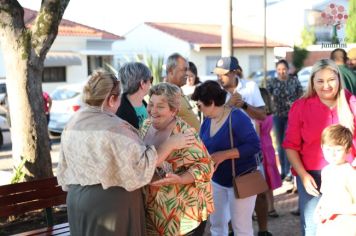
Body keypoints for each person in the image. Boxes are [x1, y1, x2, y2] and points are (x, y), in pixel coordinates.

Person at [56, 69, 196, 235]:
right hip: (109, 205)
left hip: (76, 200)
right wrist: (171, 144)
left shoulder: (72, 123)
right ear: (112, 99)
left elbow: (64, 166)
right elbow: (141, 164)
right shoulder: (115, 128)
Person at [283, 59, 356, 236]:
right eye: (320, 81)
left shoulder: (351, 102)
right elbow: (290, 146)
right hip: (311, 177)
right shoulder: (300, 107)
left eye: (331, 79)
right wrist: (303, 175)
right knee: (313, 227)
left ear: (339, 79)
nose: (326, 85)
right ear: (312, 83)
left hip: (346, 174)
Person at [141, 82, 214, 236]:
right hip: (152, 213)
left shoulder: (185, 133)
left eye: (160, 106)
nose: (153, 110)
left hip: (181, 217)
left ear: (173, 110)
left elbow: (207, 166)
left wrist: (181, 179)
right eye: (151, 104)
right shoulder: (146, 125)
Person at [191, 80, 261, 236]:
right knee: (216, 226)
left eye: (200, 105)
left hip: (242, 179)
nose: (198, 108)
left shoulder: (237, 118)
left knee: (241, 229)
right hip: (217, 181)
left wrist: (224, 155)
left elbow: (254, 145)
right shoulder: (207, 121)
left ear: (212, 102)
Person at [213, 56, 271, 236]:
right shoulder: (216, 92)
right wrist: (228, 107)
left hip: (248, 150)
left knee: (258, 191)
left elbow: (262, 115)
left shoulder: (250, 87)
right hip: (225, 152)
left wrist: (244, 105)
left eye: (222, 74)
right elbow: (210, 119)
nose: (218, 78)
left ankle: (263, 231)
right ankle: (232, 231)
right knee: (228, 195)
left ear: (233, 73)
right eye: (217, 74)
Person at [314, 124, 356, 235]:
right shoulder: (326, 171)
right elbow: (325, 195)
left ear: (348, 151)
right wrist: (318, 209)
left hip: (347, 227)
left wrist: (334, 210)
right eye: (328, 149)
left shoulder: (350, 173)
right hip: (328, 226)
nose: (332, 154)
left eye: (338, 150)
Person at [267, 59, 303, 182]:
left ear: (288, 70)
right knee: (279, 143)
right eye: (279, 70)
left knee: (288, 142)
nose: (281, 72)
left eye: (284, 69)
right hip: (277, 115)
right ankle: (283, 170)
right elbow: (266, 97)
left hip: (292, 116)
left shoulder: (294, 81)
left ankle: (289, 171)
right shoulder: (272, 82)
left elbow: (301, 95)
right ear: (276, 71)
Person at [256, 88, 282, 218]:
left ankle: (261, 209)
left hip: (260, 147)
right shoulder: (270, 115)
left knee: (261, 180)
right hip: (269, 146)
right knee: (269, 180)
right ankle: (272, 207)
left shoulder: (257, 117)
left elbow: (257, 134)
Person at [165, 53, 201, 131]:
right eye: (184, 70)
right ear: (171, 71)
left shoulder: (178, 90)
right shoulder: (165, 94)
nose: (187, 74)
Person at [116, 62, 152, 129]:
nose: (151, 83)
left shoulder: (146, 105)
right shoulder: (121, 111)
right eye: (151, 79)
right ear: (142, 83)